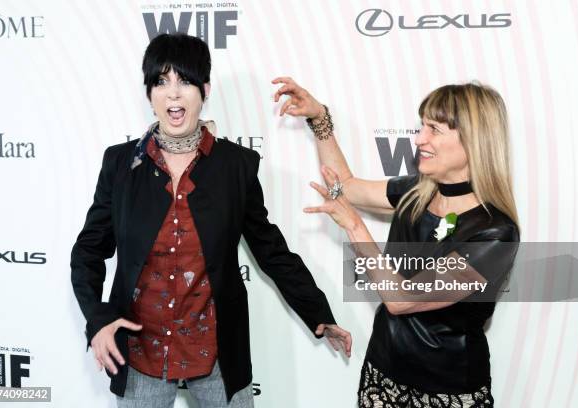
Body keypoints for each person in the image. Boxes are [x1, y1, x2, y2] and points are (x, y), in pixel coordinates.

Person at [70, 34, 352, 408]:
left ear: (204, 90)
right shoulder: (121, 164)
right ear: (149, 94)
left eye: (184, 81)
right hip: (140, 352)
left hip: (218, 353)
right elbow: (88, 250)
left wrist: (318, 312)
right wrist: (98, 319)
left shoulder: (235, 166)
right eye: (161, 82)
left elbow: (270, 249)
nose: (173, 94)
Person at [272, 77, 520, 407]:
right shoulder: (417, 193)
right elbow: (344, 185)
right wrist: (319, 119)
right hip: (383, 375)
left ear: (474, 142)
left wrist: (355, 228)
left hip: (447, 392)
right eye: (422, 126)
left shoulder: (495, 233)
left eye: (434, 129)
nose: (420, 139)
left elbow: (402, 299)